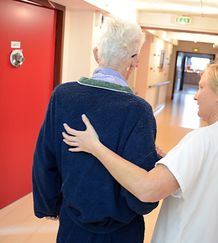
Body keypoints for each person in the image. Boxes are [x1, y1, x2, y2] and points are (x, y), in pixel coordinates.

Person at [62, 64, 218, 243]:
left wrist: (95, 147)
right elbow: (210, 176)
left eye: (201, 87)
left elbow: (147, 190)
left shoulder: (202, 139)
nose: (196, 96)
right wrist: (173, 162)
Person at [32, 17, 160, 243]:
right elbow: (143, 192)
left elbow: (45, 157)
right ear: (135, 60)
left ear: (95, 53)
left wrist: (48, 205)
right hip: (121, 231)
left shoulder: (63, 96)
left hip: (72, 223)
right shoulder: (138, 111)